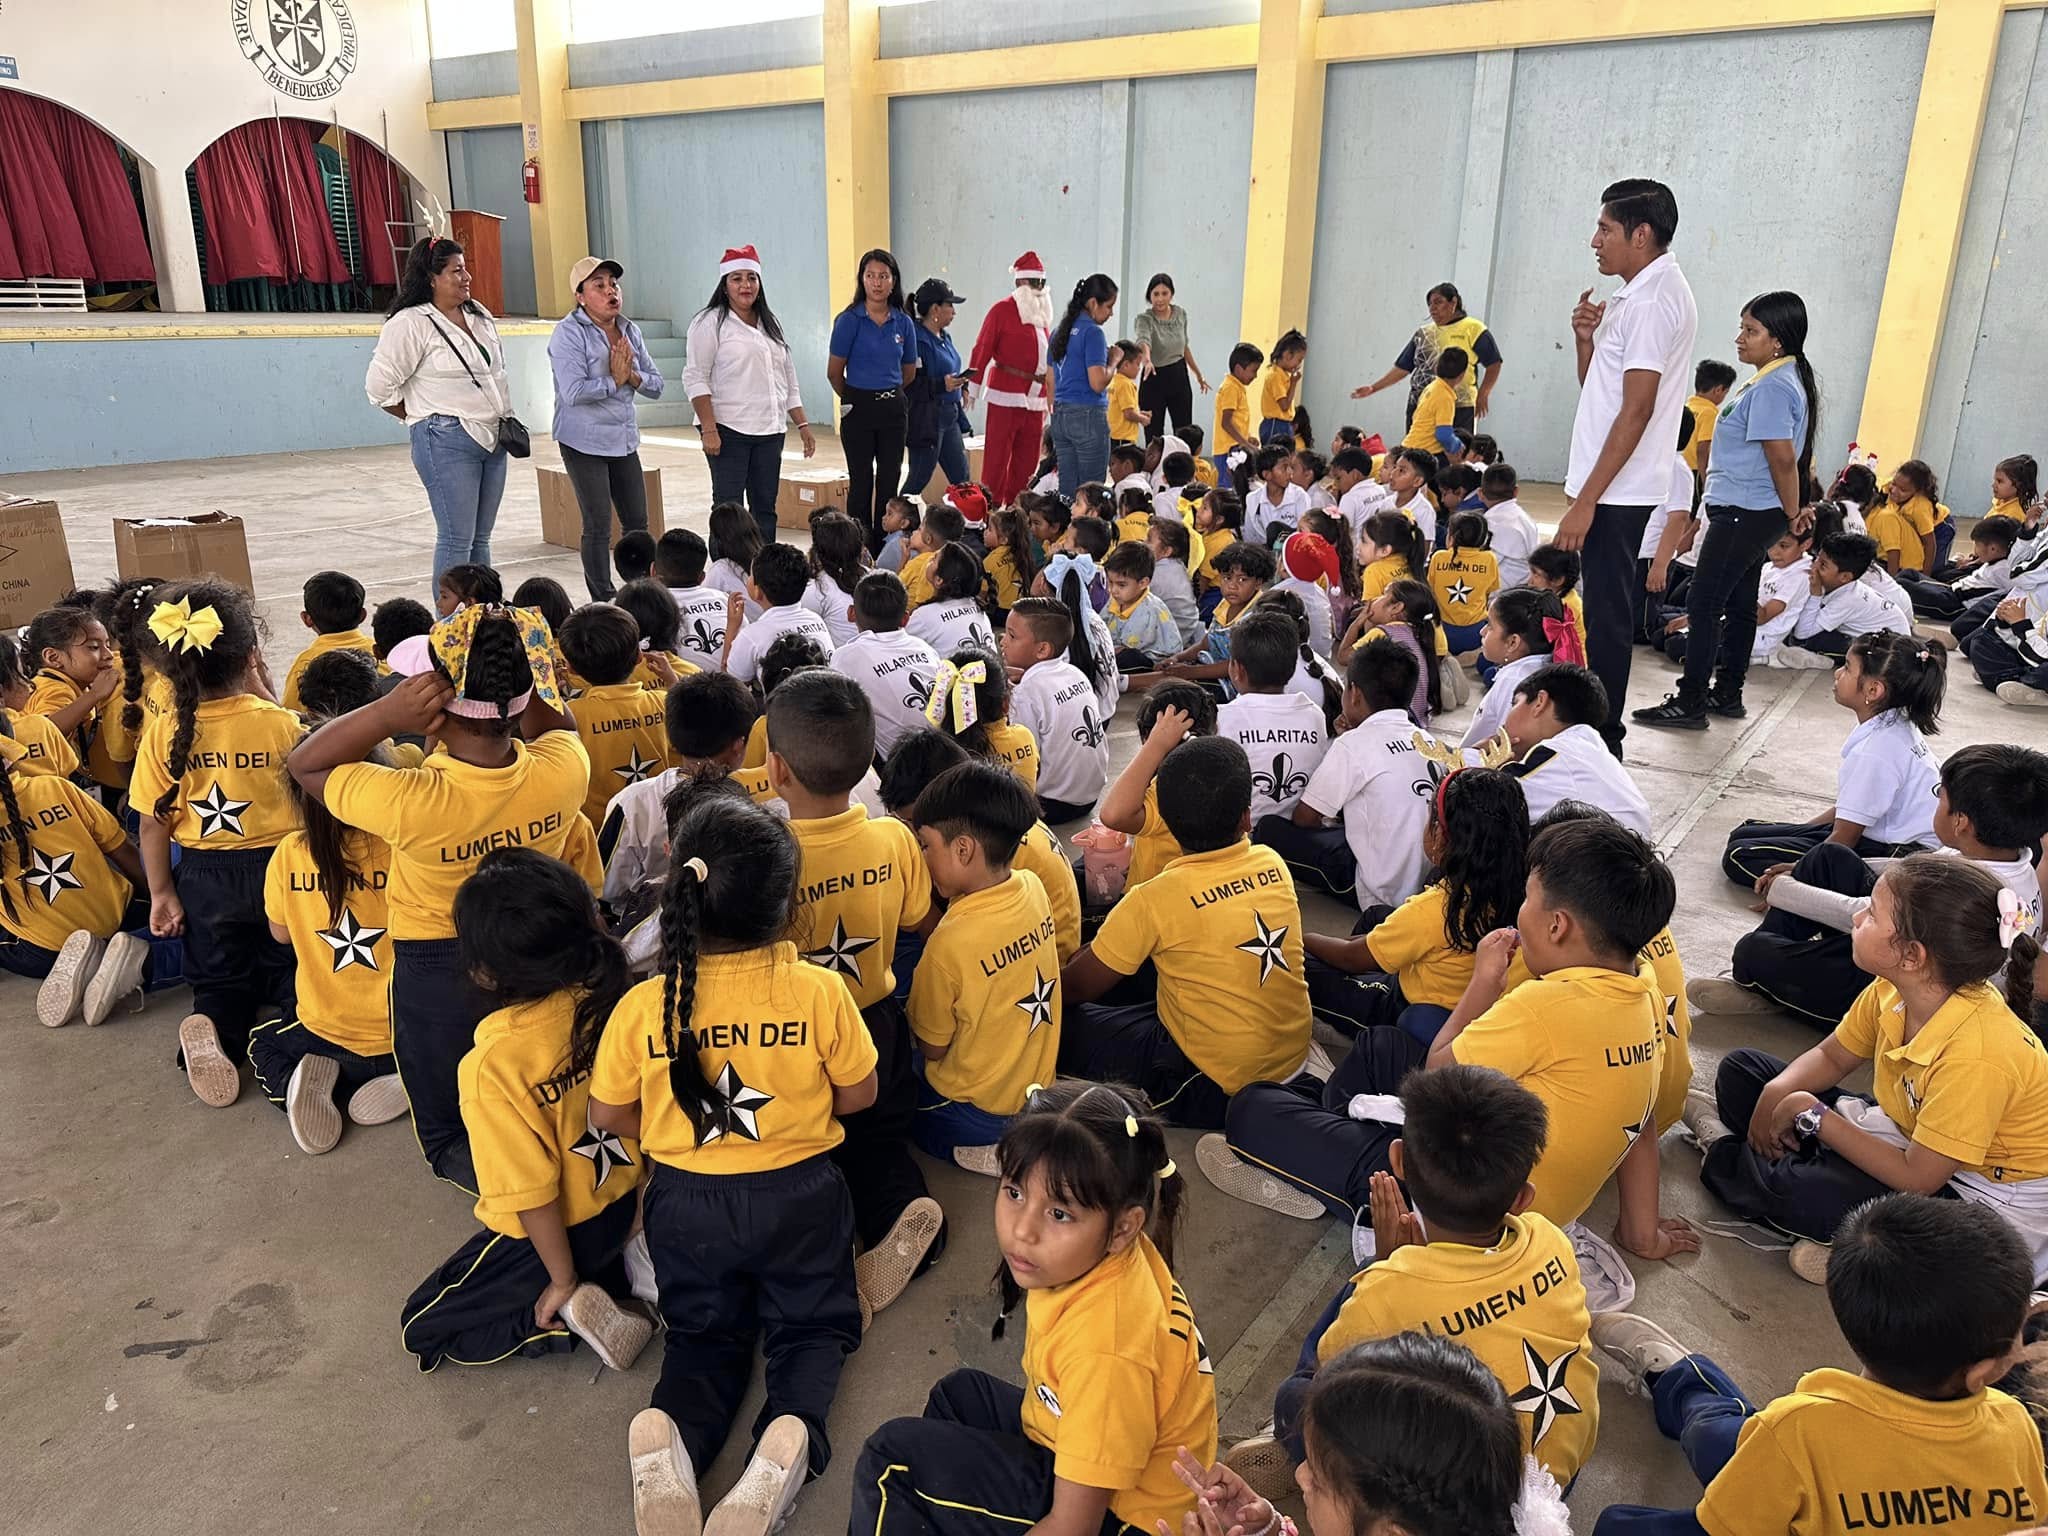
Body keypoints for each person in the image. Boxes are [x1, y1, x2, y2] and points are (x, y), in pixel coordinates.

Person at [595, 794, 875, 1536]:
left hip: (686, 1206)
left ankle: (675, 1441)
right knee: (809, 1329)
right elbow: (860, 1096)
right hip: (800, 1198)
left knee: (702, 1336)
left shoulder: (644, 1005)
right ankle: (786, 1441)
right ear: (786, 906)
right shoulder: (819, 991)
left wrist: (673, 1131)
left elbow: (608, 1115)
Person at [1208, 814, 1674, 1235]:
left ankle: (1341, 1181)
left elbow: (1439, 1069)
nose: (1520, 910)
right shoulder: (1644, 989)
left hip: (1464, 1207)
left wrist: (1483, 983)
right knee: (1383, 1046)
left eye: (1529, 899)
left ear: (1557, 926)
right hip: (1498, 1164)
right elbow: (1643, 1117)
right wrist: (1642, 1232)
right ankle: (1333, 1142)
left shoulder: (1544, 1004)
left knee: (1252, 1106)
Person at [288, 604, 591, 1191]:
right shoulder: (564, 770)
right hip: (542, 946)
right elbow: (557, 728)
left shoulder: (410, 800)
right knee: (539, 1074)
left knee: (448, 1130)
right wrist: (525, 678)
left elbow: (306, 764)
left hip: (440, 964)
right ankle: (579, 1177)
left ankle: (526, 1196)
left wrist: (385, 713)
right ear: (525, 698)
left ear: (433, 710)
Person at [846, 1081, 1216, 1536]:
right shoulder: (1118, 1256)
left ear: (1123, 1228)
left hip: (1122, 1521)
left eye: (1059, 1214)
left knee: (890, 1463)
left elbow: (1073, 1527)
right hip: (1088, 1457)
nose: (1023, 1230)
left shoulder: (1108, 1351)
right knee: (959, 1396)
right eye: (1015, 1193)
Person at [1593, 1194, 2048, 1535]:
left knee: (1632, 1509)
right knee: (1732, 1440)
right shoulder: (2014, 1424)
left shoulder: (1800, 1426)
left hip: (1783, 1471)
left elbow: (1727, 1526)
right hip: (1797, 1466)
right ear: (1982, 1372)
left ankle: (1685, 1379)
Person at [1689, 855, 2048, 1278]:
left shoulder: (1980, 1054)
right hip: (1909, 1135)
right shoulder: (1891, 989)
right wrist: (1779, 1092)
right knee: (1742, 1072)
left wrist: (1814, 1116)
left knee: (1804, 1192)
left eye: (1872, 914)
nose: (1858, 917)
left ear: (1912, 956)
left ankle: (1731, 1154)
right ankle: (1843, 1229)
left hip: (1979, 1199)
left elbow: (1919, 1179)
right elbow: (1832, 1056)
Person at [1262, 1066, 1599, 1492]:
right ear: (1522, 1198)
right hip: (1551, 1483)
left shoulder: (1387, 1294)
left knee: (1297, 1394)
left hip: (1447, 1510)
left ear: (1397, 1159)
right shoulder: (1550, 1241)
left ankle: (1306, 1461)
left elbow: (1335, 1379)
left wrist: (1381, 1268)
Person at [398, 848, 650, 1374]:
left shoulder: (492, 1065)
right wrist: (642, 1208)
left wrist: (562, 1280)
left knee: (421, 1326)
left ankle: (566, 1317)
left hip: (567, 1236)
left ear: (485, 974)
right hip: (632, 1204)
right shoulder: (620, 999)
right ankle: (629, 1272)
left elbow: (532, 1193)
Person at [1698, 743, 2048, 1029]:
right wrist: (1803, 868)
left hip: (1897, 998)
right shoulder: (2016, 861)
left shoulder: (1956, 889)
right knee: (1830, 857)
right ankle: (1769, 978)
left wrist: (1781, 888)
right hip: (1906, 955)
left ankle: (1764, 985)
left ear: (1961, 822)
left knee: (1754, 951)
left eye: (1940, 795)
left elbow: (1857, 913)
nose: (1936, 800)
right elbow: (1909, 868)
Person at [1060, 736, 1313, 1128]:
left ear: (1166, 824)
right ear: (1247, 818)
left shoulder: (1154, 897)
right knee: (1152, 972)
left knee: (1053, 1022)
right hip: (1292, 1058)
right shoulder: (1272, 862)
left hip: (1213, 1084)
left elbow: (1075, 988)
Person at [128, 581, 299, 1107]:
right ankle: (296, 1037)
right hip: (280, 869)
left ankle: (215, 1027)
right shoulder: (280, 724)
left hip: (204, 877)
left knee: (220, 978)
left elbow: (152, 824)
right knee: (294, 969)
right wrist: (264, 689)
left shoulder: (164, 733)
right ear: (251, 657)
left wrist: (162, 893)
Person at [1558, 180, 1699, 757]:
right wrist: (1585, 342)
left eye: (1605, 229)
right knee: (1603, 610)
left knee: (1608, 616)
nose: (1595, 241)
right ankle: (1598, 730)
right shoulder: (1640, 293)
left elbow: (1637, 410)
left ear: (1640, 235)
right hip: (1612, 482)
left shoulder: (1648, 303)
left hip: (1615, 489)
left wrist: (1586, 500)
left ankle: (1603, 739)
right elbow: (1604, 394)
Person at [1635, 292, 1819, 730]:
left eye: (1751, 331)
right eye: (1742, 328)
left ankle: (1691, 701)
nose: (1740, 338)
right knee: (1738, 603)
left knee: (1703, 602)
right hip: (1751, 509)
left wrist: (1793, 510)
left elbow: (1782, 458)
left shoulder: (1773, 386)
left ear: (1778, 340)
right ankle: (1728, 693)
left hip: (1745, 510)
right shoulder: (1773, 379)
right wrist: (1789, 508)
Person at [1288, 765, 1530, 1050]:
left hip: (1410, 1008)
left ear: (1440, 836)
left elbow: (1351, 957)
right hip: (1469, 997)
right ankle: (1368, 973)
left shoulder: (1434, 909)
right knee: (1376, 917)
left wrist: (1302, 940)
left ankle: (1350, 1023)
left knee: (1300, 964)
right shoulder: (1526, 892)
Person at [900, 761, 1059, 1169]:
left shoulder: (947, 943)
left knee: (895, 1091)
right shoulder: (1033, 886)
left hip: (977, 1112)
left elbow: (933, 1048)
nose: (922, 857)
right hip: (1037, 1092)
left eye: (925, 845)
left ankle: (990, 1150)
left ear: (963, 849)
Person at [249, 738, 402, 1155]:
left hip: (325, 1036)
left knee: (263, 1044)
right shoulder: (402, 847)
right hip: (407, 1036)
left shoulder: (289, 853)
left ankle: (307, 1088)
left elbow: (280, 935)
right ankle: (413, 1081)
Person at [1722, 630, 1942, 887]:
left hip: (1896, 855)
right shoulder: (1895, 722)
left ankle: (1822, 892)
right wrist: (1804, 832)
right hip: (1885, 836)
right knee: (1745, 831)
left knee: (1739, 856)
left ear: (1873, 690)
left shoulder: (1875, 751)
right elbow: (1850, 811)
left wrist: (1798, 870)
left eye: (1847, 668)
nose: (1837, 673)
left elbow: (1844, 839)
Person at [366, 237, 514, 588]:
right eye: (456, 271)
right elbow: (378, 389)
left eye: (465, 269)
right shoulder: (410, 323)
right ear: (431, 278)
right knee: (456, 539)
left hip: (494, 437)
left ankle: (480, 611)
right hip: (445, 440)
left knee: (480, 539)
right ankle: (448, 617)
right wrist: (424, 416)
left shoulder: (479, 315)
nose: (466, 277)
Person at [1256, 637, 1433, 912]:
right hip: (1424, 885)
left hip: (1376, 891)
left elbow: (1305, 818)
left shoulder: (1353, 745)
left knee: (1269, 829)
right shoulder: (1428, 741)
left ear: (1354, 694)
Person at [548, 256, 664, 601]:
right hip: (583, 440)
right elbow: (572, 392)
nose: (610, 291)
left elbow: (656, 384)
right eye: (598, 285)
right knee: (598, 523)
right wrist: (614, 381)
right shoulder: (568, 333)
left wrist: (633, 377)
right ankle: (604, 599)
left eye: (613, 284)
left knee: (637, 522)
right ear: (580, 296)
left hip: (623, 439)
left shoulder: (630, 330)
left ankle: (641, 593)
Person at [685, 245, 815, 549]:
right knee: (729, 508)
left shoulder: (770, 323)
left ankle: (763, 567)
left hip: (770, 430)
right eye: (737, 278)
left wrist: (802, 424)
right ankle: (725, 568)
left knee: (765, 507)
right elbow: (695, 376)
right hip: (728, 428)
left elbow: (788, 379)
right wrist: (709, 428)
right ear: (725, 285)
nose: (746, 285)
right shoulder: (709, 323)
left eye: (752, 278)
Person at [828, 247, 918, 548]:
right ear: (862, 280)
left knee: (889, 478)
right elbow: (834, 373)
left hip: (893, 407)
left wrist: (885, 394)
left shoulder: (903, 322)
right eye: (870, 276)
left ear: (894, 281)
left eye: (883, 276)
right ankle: (858, 545)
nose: (877, 283)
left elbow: (909, 372)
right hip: (858, 407)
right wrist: (856, 399)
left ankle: (885, 545)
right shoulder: (849, 320)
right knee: (861, 480)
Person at [1501, 664, 1654, 838]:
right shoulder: (1586, 748)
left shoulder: (1560, 752)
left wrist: (1481, 754)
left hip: (1595, 853)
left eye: (1515, 703)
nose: (1504, 722)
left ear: (1539, 703)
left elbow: (1489, 798)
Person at [557, 604, 673, 828]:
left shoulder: (571, 715)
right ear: (639, 656)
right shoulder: (664, 702)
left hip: (602, 832)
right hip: (662, 824)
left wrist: (551, 697)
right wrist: (672, 681)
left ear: (570, 668)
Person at [1003, 596, 1110, 824]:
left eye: (1012, 636)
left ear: (1042, 649)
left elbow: (1026, 758)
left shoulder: (1027, 691)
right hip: (1090, 797)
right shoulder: (1075, 673)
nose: (1003, 641)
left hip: (1052, 805)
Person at [1352, 281, 1505, 433]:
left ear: (1453, 302)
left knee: (1455, 446)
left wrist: (1483, 393)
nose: (1433, 308)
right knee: (1416, 447)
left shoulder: (1473, 328)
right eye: (1430, 304)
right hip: (1421, 403)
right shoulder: (1424, 333)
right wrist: (1374, 388)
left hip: (1459, 406)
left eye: (1438, 302)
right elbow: (1402, 368)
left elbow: (1494, 363)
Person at [966, 252, 1055, 505]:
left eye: (1042, 283)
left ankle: (1018, 510)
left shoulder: (1041, 315)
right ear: (1020, 283)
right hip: (1006, 393)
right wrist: (973, 386)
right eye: (1035, 283)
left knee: (1028, 461)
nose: (1040, 289)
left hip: (1035, 398)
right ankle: (989, 509)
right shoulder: (1002, 310)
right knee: (997, 458)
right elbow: (982, 347)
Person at [1046, 274, 1120, 498]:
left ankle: (1067, 522)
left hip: (1060, 416)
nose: (1111, 313)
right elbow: (1097, 383)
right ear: (1093, 303)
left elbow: (1050, 380)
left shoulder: (1058, 332)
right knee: (1091, 493)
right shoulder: (1093, 332)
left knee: (1068, 492)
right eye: (1109, 307)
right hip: (1087, 416)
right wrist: (1114, 362)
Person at [903, 276, 973, 499]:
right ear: (935, 309)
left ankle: (970, 516)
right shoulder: (916, 340)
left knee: (962, 477)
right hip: (927, 418)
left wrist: (962, 385)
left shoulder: (945, 336)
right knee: (919, 477)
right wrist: (943, 384)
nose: (954, 312)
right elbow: (910, 383)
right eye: (950, 305)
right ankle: (897, 514)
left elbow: (951, 367)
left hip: (950, 415)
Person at [281, 572, 375, 714]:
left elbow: (292, 715)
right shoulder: (383, 652)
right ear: (362, 615)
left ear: (307, 619)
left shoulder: (304, 664)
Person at [1131, 274, 1210, 444]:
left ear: (1171, 294)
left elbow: (1184, 346)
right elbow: (1143, 340)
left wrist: (1198, 374)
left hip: (1178, 376)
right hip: (1153, 376)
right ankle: (1154, 462)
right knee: (1154, 435)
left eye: (1164, 293)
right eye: (1156, 294)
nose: (1160, 299)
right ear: (1149, 296)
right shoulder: (1144, 319)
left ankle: (1181, 461)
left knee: (1184, 431)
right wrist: (1147, 361)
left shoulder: (1180, 314)